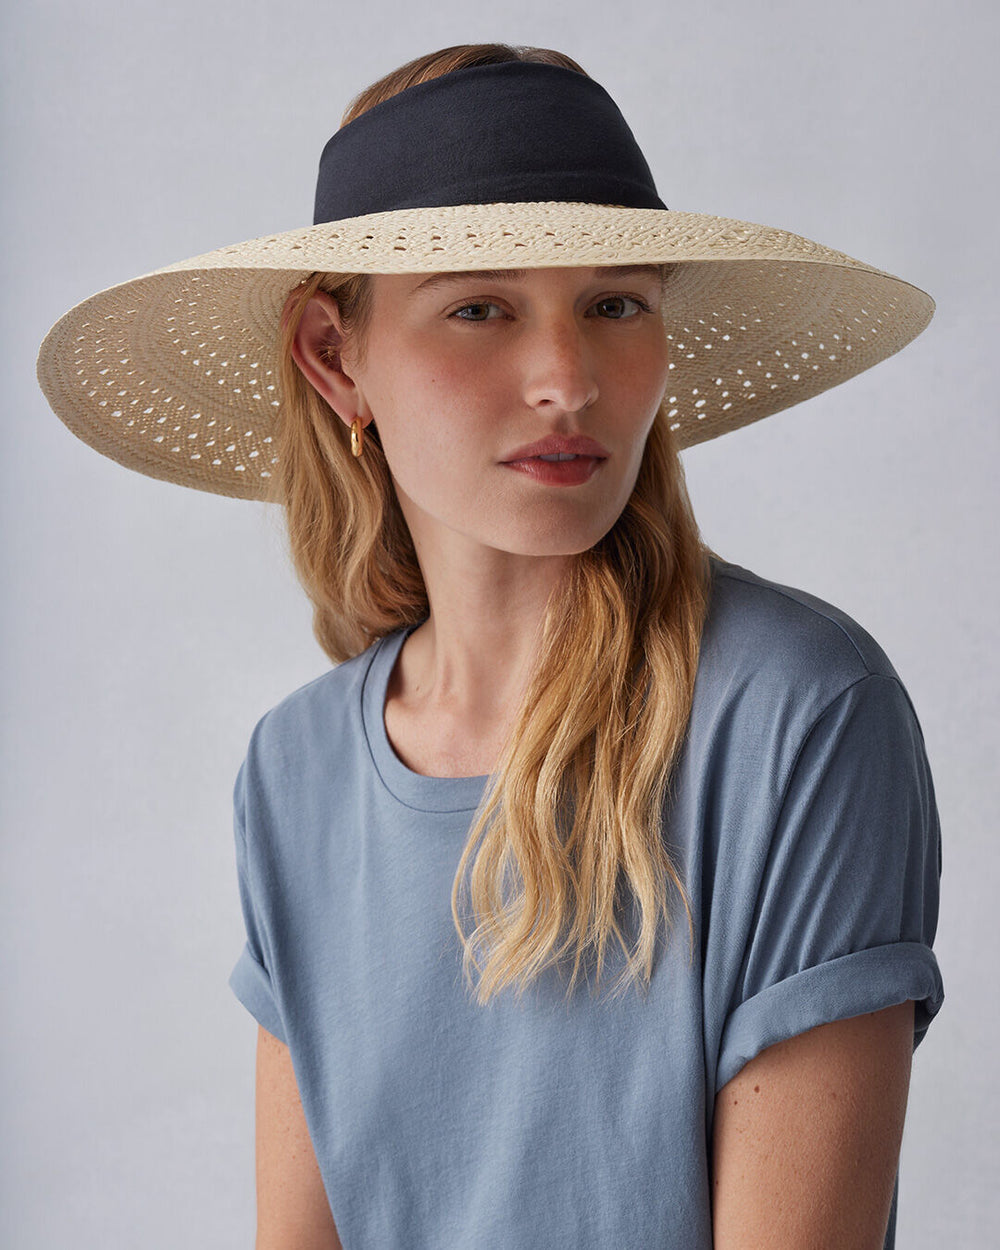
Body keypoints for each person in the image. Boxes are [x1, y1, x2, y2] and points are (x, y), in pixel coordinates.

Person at [36, 42, 943, 1250]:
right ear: (334, 356)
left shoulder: (796, 711)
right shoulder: (296, 772)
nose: (566, 380)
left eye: (614, 304)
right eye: (479, 307)